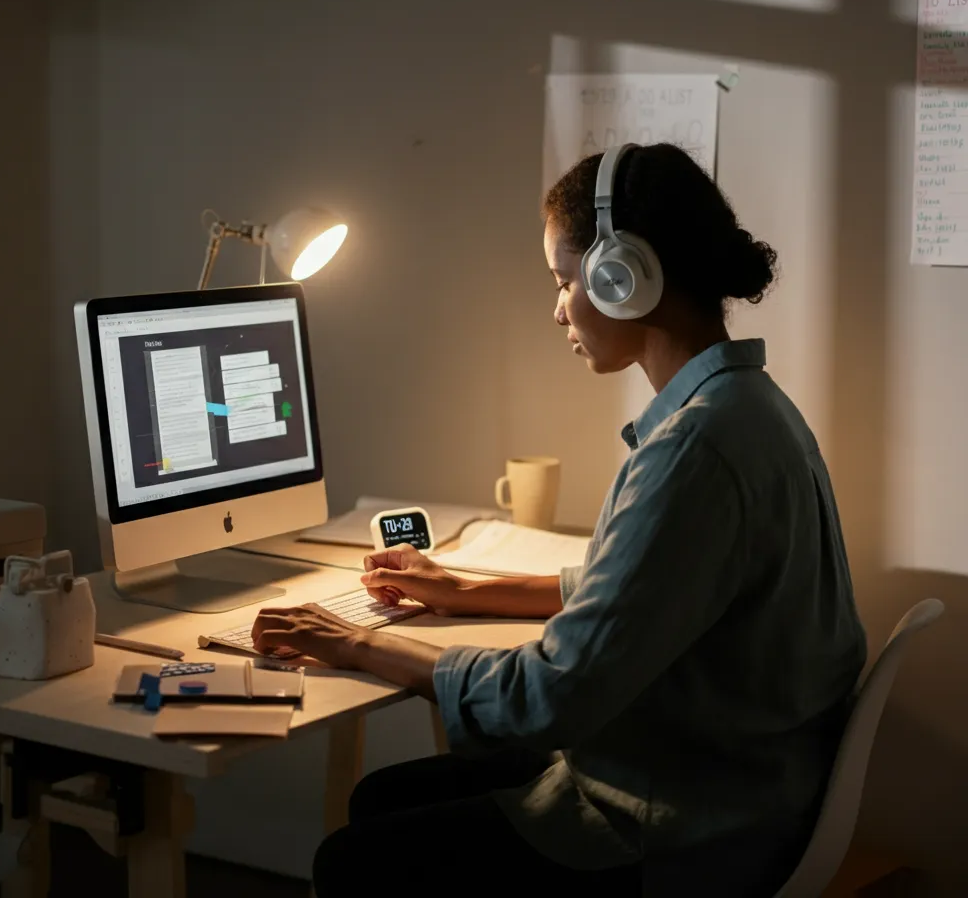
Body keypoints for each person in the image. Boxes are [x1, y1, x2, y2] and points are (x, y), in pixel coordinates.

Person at [252, 143, 867, 897]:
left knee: (349, 861)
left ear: (623, 278)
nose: (558, 308)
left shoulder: (697, 450)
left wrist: (358, 645)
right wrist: (465, 593)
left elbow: (544, 699)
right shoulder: (750, 408)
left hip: (680, 830)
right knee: (383, 800)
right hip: (742, 787)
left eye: (564, 280)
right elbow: (637, 588)